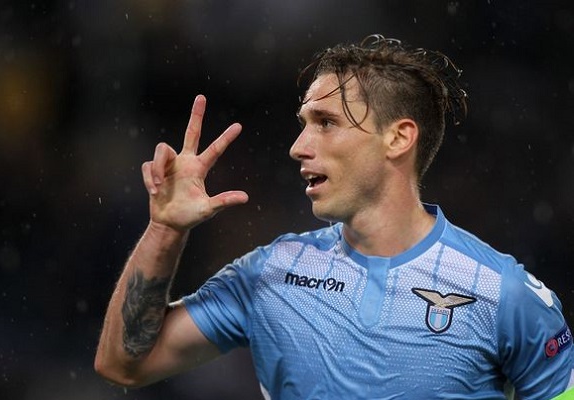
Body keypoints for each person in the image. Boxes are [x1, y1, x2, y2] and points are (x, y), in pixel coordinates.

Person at [94, 35, 574, 399]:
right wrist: (165, 229)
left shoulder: (505, 294)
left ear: (398, 138)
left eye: (326, 123)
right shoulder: (269, 274)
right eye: (304, 124)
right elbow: (122, 365)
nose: (298, 147)